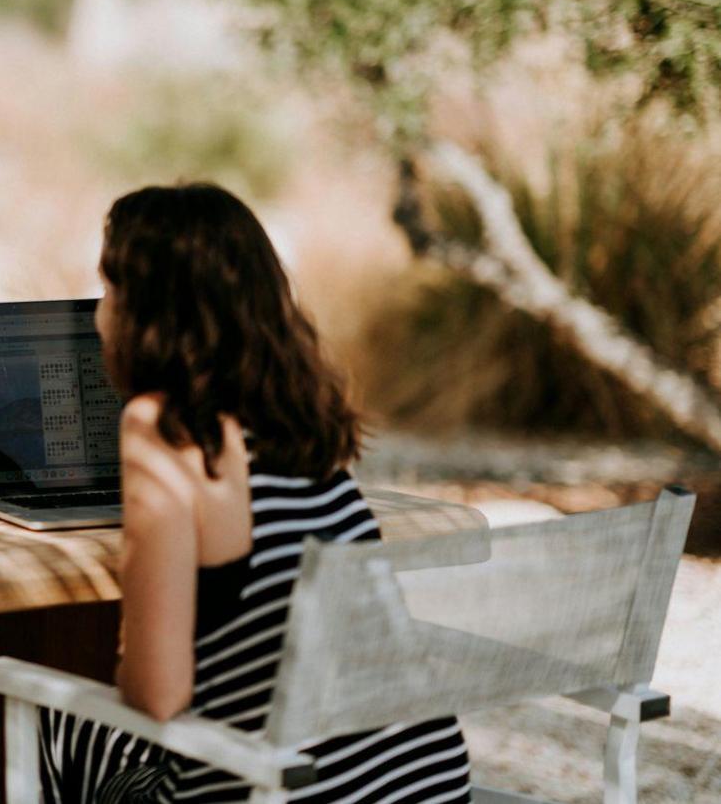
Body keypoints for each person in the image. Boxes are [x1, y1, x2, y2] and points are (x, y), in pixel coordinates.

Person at [41, 184, 471, 803]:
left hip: (282, 790)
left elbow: (158, 695)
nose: (99, 312)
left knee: (56, 721)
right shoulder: (303, 415)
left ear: (146, 312)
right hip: (426, 783)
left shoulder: (164, 427)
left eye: (109, 289)